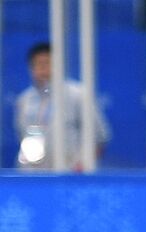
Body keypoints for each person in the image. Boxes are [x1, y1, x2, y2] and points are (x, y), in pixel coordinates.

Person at [13, 41, 110, 171]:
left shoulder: (78, 94)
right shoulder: (24, 100)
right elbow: (22, 135)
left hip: (69, 176)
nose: (43, 69)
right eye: (38, 64)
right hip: (32, 176)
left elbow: (99, 137)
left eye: (47, 63)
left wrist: (80, 167)